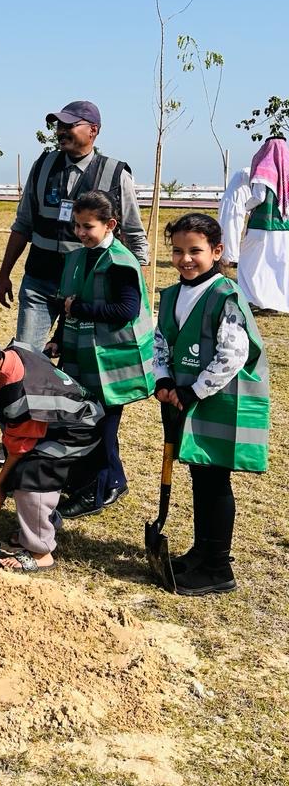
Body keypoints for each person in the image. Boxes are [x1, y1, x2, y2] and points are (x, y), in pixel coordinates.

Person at [154, 213, 270, 597]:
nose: (185, 259)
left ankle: (218, 566)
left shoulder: (226, 295)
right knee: (200, 476)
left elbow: (232, 355)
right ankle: (201, 552)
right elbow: (160, 342)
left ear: (217, 251)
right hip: (184, 397)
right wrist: (165, 380)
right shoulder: (172, 294)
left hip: (217, 401)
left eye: (195, 251)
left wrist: (192, 391)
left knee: (214, 479)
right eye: (177, 251)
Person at [0, 324, 104, 572]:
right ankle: (42, 522)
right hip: (56, 422)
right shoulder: (14, 351)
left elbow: (19, 449)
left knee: (30, 476)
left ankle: (41, 551)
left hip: (79, 430)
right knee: (21, 469)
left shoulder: (23, 397)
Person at [0, 101, 149, 349]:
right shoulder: (42, 166)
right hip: (40, 280)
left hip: (88, 286)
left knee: (77, 359)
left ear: (93, 130)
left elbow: (134, 234)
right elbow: (22, 224)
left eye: (70, 125)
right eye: (59, 125)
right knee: (27, 353)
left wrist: (136, 287)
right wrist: (4, 274)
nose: (60, 131)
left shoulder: (116, 173)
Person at [55, 190, 155, 517]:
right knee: (86, 423)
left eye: (88, 227)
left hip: (111, 364)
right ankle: (109, 480)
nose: (81, 233)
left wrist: (80, 308)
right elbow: (70, 303)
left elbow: (126, 309)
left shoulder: (120, 262)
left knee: (102, 427)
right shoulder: (78, 256)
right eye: (77, 226)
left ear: (110, 224)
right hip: (82, 357)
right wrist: (58, 337)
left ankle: (98, 490)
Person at [237, 136, 289, 314]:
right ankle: (276, 302)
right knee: (278, 265)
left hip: (261, 226)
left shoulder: (263, 170)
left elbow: (258, 197)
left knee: (250, 263)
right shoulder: (286, 171)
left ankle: (254, 298)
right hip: (283, 228)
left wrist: (245, 207)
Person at [217, 166, 251, 265]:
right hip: (233, 205)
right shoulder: (247, 171)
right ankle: (230, 258)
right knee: (231, 231)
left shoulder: (246, 172)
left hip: (238, 204)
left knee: (234, 230)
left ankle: (230, 256)